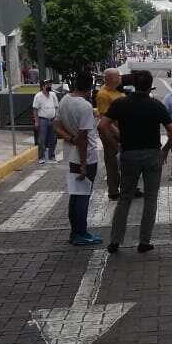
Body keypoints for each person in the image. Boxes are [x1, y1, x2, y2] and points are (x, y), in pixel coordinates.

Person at [102, 70, 172, 255]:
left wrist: (116, 143)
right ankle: (144, 241)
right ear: (150, 85)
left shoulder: (121, 103)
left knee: (124, 198)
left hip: (129, 154)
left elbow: (102, 125)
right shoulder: (156, 105)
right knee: (151, 199)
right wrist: (165, 151)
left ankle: (115, 241)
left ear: (134, 84)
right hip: (152, 154)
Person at [55, 72, 104, 247]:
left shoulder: (65, 100)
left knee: (75, 195)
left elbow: (57, 125)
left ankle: (75, 232)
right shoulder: (84, 107)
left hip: (72, 154)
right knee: (83, 196)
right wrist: (84, 164)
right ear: (90, 87)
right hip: (87, 157)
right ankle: (81, 233)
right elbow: (83, 137)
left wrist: (69, 138)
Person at [95, 69, 136, 201]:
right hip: (111, 133)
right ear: (111, 78)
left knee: (128, 161)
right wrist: (119, 134)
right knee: (112, 161)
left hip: (124, 130)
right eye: (118, 76)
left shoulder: (118, 91)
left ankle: (129, 188)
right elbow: (105, 119)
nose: (120, 78)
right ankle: (113, 190)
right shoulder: (103, 94)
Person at [32, 81, 59, 164]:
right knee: (42, 139)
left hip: (52, 119)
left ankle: (52, 156)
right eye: (47, 85)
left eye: (50, 85)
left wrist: (56, 117)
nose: (49, 87)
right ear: (43, 86)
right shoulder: (38, 96)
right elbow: (35, 109)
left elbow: (56, 107)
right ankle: (41, 157)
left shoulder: (53, 95)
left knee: (53, 139)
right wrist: (36, 121)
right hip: (43, 120)